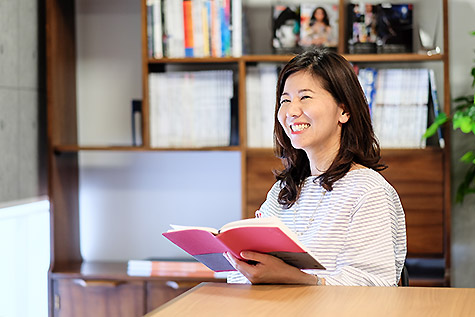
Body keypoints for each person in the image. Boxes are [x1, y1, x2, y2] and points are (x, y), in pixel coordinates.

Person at [225, 49, 406, 286]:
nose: (291, 111)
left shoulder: (368, 191)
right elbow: (240, 277)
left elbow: (374, 286)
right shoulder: (283, 191)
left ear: (344, 110)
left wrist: (294, 278)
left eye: (305, 97)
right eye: (285, 100)